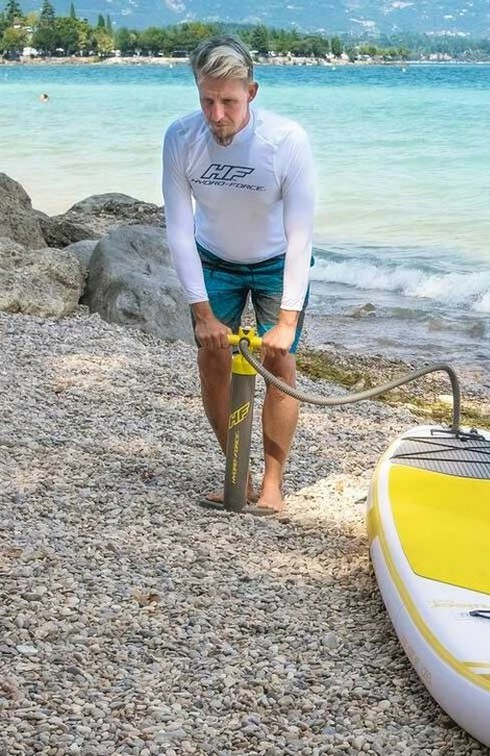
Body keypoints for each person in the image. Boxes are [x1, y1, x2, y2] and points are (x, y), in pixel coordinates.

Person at [162, 34, 316, 513]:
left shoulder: (285, 140)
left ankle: (272, 484)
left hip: (275, 260)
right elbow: (179, 231)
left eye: (228, 101)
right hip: (214, 259)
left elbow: (301, 236)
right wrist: (202, 313)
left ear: (251, 92)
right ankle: (238, 474)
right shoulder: (180, 138)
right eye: (207, 100)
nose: (217, 115)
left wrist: (287, 321)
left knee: (280, 363)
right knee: (212, 362)